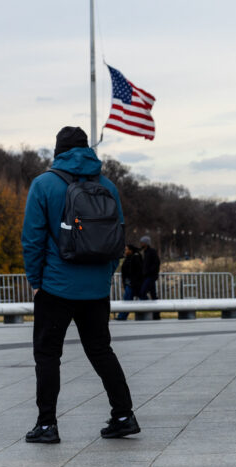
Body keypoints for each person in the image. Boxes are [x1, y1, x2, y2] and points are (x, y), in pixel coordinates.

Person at [21, 125, 139, 444]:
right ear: (87, 149)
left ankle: (47, 425)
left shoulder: (44, 184)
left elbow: (32, 239)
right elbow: (119, 238)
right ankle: (124, 415)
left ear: (57, 151)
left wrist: (36, 281)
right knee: (101, 351)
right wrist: (105, 274)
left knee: (48, 355)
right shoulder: (108, 186)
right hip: (96, 289)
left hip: (55, 287)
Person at [116, 243, 142, 321]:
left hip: (131, 283)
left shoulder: (135, 258)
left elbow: (137, 271)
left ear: (131, 250)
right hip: (129, 283)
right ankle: (122, 316)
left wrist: (133, 281)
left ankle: (122, 316)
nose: (125, 251)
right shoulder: (129, 258)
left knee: (127, 300)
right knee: (127, 299)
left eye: (126, 249)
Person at [139, 235, 160, 319]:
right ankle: (156, 314)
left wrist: (150, 271)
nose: (141, 244)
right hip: (147, 276)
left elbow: (156, 263)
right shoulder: (145, 252)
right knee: (153, 295)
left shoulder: (152, 252)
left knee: (142, 293)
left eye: (142, 242)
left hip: (150, 276)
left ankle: (150, 309)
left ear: (146, 243)